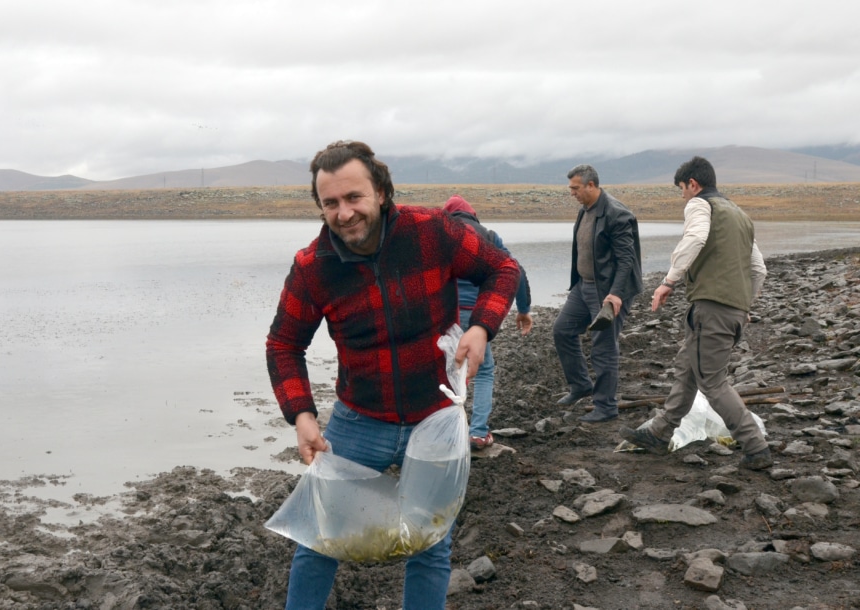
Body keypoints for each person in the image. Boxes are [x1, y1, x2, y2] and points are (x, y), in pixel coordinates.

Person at [265, 140, 520, 609]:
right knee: (321, 538)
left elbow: (503, 268)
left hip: (436, 416)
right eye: (331, 203)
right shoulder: (312, 267)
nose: (344, 214)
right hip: (360, 420)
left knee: (431, 541)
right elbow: (283, 344)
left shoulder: (431, 232)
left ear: (381, 192)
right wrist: (301, 415)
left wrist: (482, 326)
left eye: (354, 197)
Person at [619, 156, 772, 470]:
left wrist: (668, 281)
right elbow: (759, 270)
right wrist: (744, 305)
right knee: (687, 370)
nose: (683, 197)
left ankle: (756, 448)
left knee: (713, 384)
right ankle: (660, 433)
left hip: (711, 309)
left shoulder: (701, 206)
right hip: (729, 311)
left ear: (693, 184)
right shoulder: (740, 215)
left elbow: (696, 238)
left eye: (682, 189)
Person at [552, 164, 643, 423]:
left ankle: (606, 407)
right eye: (570, 188)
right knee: (562, 330)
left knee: (603, 347)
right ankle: (581, 385)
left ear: (591, 185)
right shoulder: (586, 210)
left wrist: (615, 295)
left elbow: (627, 260)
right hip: (584, 286)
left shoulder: (617, 214)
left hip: (608, 291)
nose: (572, 193)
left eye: (575, 188)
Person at [443, 195, 533, 449]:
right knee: (482, 372)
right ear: (473, 215)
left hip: (443, 316)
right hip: (478, 318)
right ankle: (478, 433)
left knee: (443, 373)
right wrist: (524, 309)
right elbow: (515, 271)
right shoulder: (489, 237)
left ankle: (444, 434)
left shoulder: (440, 235)